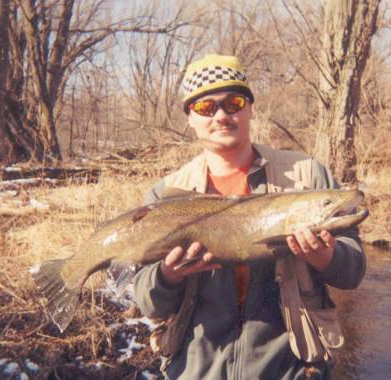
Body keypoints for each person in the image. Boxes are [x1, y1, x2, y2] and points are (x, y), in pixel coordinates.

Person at [132, 54, 366, 379]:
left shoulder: (306, 175)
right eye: (206, 107)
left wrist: (326, 257)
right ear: (190, 117)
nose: (221, 115)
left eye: (234, 102)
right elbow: (148, 302)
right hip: (198, 369)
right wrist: (168, 275)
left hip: (292, 368)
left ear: (250, 108)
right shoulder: (165, 194)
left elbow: (353, 271)